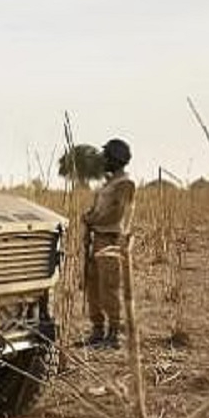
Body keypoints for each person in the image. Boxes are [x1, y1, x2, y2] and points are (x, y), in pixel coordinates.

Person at [81, 138, 137, 349]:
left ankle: (113, 334)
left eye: (107, 156)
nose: (103, 160)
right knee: (93, 287)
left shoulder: (125, 184)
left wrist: (92, 220)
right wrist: (90, 217)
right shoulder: (110, 183)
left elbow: (116, 214)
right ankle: (97, 331)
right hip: (98, 239)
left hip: (111, 241)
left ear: (116, 159)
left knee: (109, 287)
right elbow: (101, 210)